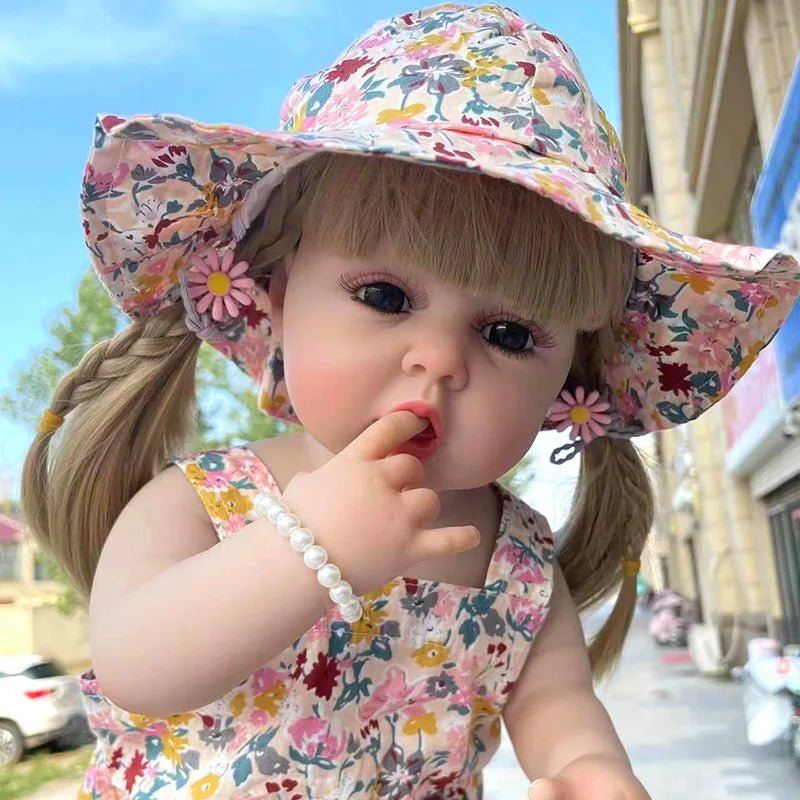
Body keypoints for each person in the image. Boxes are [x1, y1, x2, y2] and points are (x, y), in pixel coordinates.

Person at [21, 4, 799, 799]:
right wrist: (310, 543)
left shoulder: (517, 562)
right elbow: (137, 666)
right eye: (386, 295)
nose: (441, 360)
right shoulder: (206, 502)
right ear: (277, 298)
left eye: (508, 332)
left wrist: (590, 774)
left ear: (569, 384)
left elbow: (562, 714)